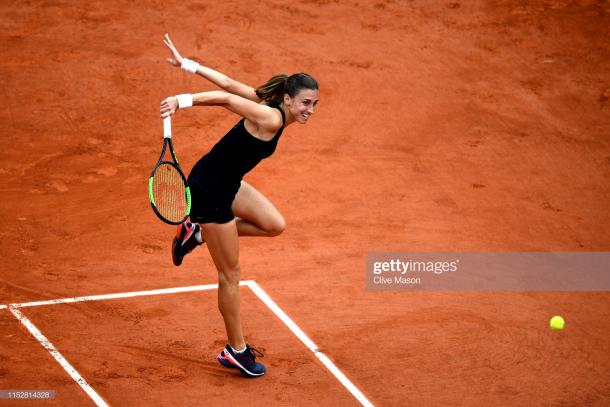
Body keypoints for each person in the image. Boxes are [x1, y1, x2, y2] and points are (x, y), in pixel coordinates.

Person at [159, 33, 319, 378]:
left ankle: (197, 234)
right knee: (230, 274)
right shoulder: (273, 118)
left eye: (314, 104)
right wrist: (182, 99)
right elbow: (225, 99)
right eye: (306, 103)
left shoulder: (273, 104)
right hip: (209, 192)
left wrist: (189, 64)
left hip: (228, 183)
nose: (310, 110)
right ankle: (236, 350)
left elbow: (230, 83)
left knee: (275, 225)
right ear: (289, 100)